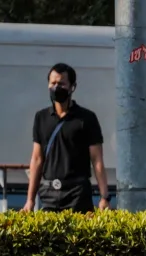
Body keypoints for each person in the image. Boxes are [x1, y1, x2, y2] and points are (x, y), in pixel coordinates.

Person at [24, 63, 110, 212]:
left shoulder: (87, 118)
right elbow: (37, 159)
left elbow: (97, 160)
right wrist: (30, 200)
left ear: (72, 87)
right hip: (49, 194)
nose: (56, 87)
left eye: (62, 84)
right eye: (53, 83)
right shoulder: (41, 118)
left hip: (78, 194)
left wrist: (104, 197)